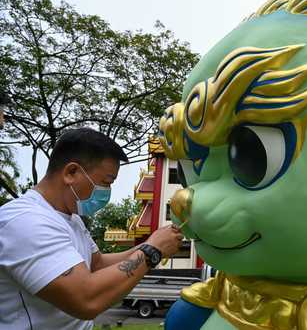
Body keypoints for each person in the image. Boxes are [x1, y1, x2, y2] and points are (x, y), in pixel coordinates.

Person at [0, 128, 184, 330]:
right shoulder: (26, 222)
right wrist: (152, 252)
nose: (107, 192)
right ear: (71, 172)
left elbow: (97, 264)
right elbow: (86, 299)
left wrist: (152, 242)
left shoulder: (71, 218)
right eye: (105, 183)